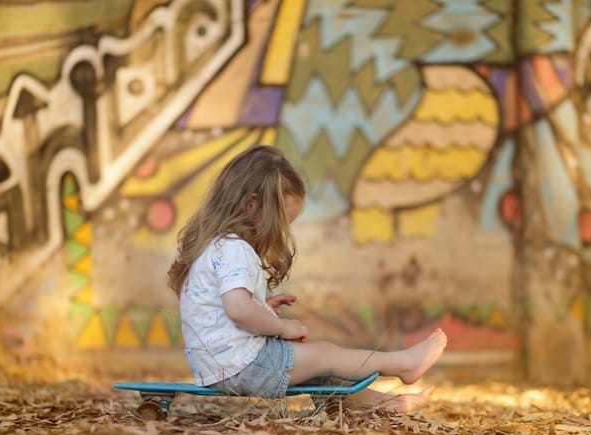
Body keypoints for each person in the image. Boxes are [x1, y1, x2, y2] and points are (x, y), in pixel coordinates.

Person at [167, 145, 447, 412]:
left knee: (315, 364)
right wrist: (280, 327)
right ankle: (403, 364)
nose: (280, 232)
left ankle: (384, 404)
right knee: (326, 354)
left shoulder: (215, 246)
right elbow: (239, 309)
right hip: (243, 365)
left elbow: (224, 308)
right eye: (280, 222)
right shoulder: (235, 248)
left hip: (219, 365)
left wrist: (262, 308)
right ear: (251, 206)